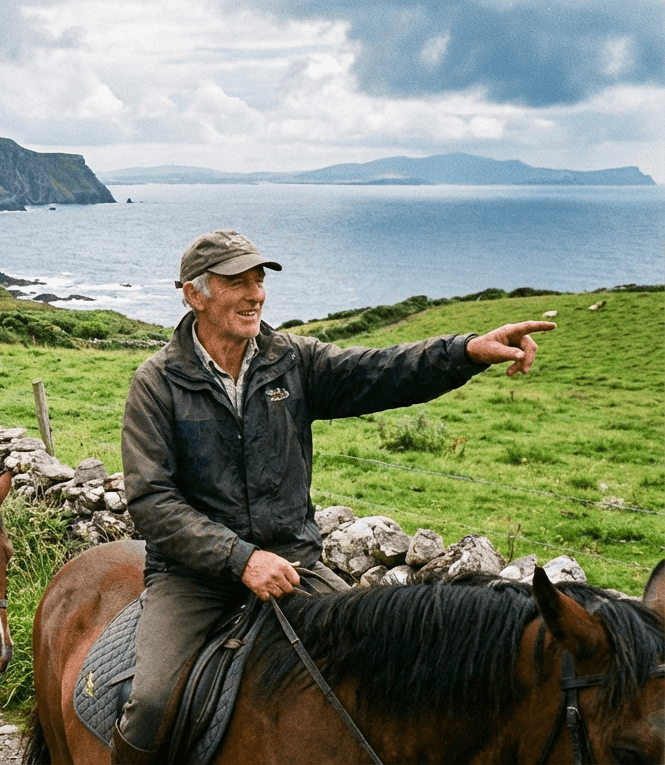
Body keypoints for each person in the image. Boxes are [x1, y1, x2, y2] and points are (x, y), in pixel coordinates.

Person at [112, 230, 555, 764]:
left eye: (259, 279)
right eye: (237, 282)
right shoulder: (156, 382)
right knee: (153, 703)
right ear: (194, 294)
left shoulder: (292, 361)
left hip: (296, 567)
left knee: (381, 687)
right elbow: (152, 501)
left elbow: (382, 371)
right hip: (193, 579)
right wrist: (241, 558)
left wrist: (465, 352)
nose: (256, 294)